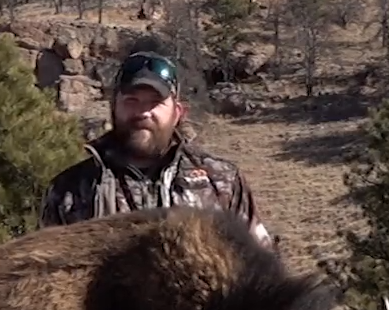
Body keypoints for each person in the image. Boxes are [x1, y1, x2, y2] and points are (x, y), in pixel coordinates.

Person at [38, 49, 272, 247]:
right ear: (113, 107)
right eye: (132, 100)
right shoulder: (69, 190)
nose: (143, 112)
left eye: (155, 102)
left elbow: (262, 271)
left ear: (178, 112)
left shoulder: (223, 182)